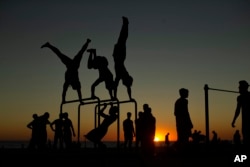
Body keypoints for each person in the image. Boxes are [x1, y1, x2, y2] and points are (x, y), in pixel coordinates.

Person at [41, 39, 91, 104]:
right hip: (74, 65)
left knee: (63, 54)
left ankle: (49, 45)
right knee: (79, 52)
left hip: (71, 65)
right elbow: (78, 92)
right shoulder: (74, 82)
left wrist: (63, 100)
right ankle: (87, 42)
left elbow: (65, 92)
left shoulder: (68, 82)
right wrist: (80, 101)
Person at [112, 16, 133, 100]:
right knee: (123, 38)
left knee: (122, 38)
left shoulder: (121, 75)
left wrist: (115, 97)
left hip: (118, 56)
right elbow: (127, 87)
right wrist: (130, 98)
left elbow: (115, 86)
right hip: (119, 56)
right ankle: (126, 24)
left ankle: (125, 24)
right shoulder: (123, 74)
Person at [231, 80, 250, 146]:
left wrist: (234, 120)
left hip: (246, 123)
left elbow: (237, 110)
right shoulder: (240, 97)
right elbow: (238, 110)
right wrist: (234, 120)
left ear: (244, 88)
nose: (238, 88)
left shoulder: (241, 98)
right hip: (244, 122)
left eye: (240, 87)